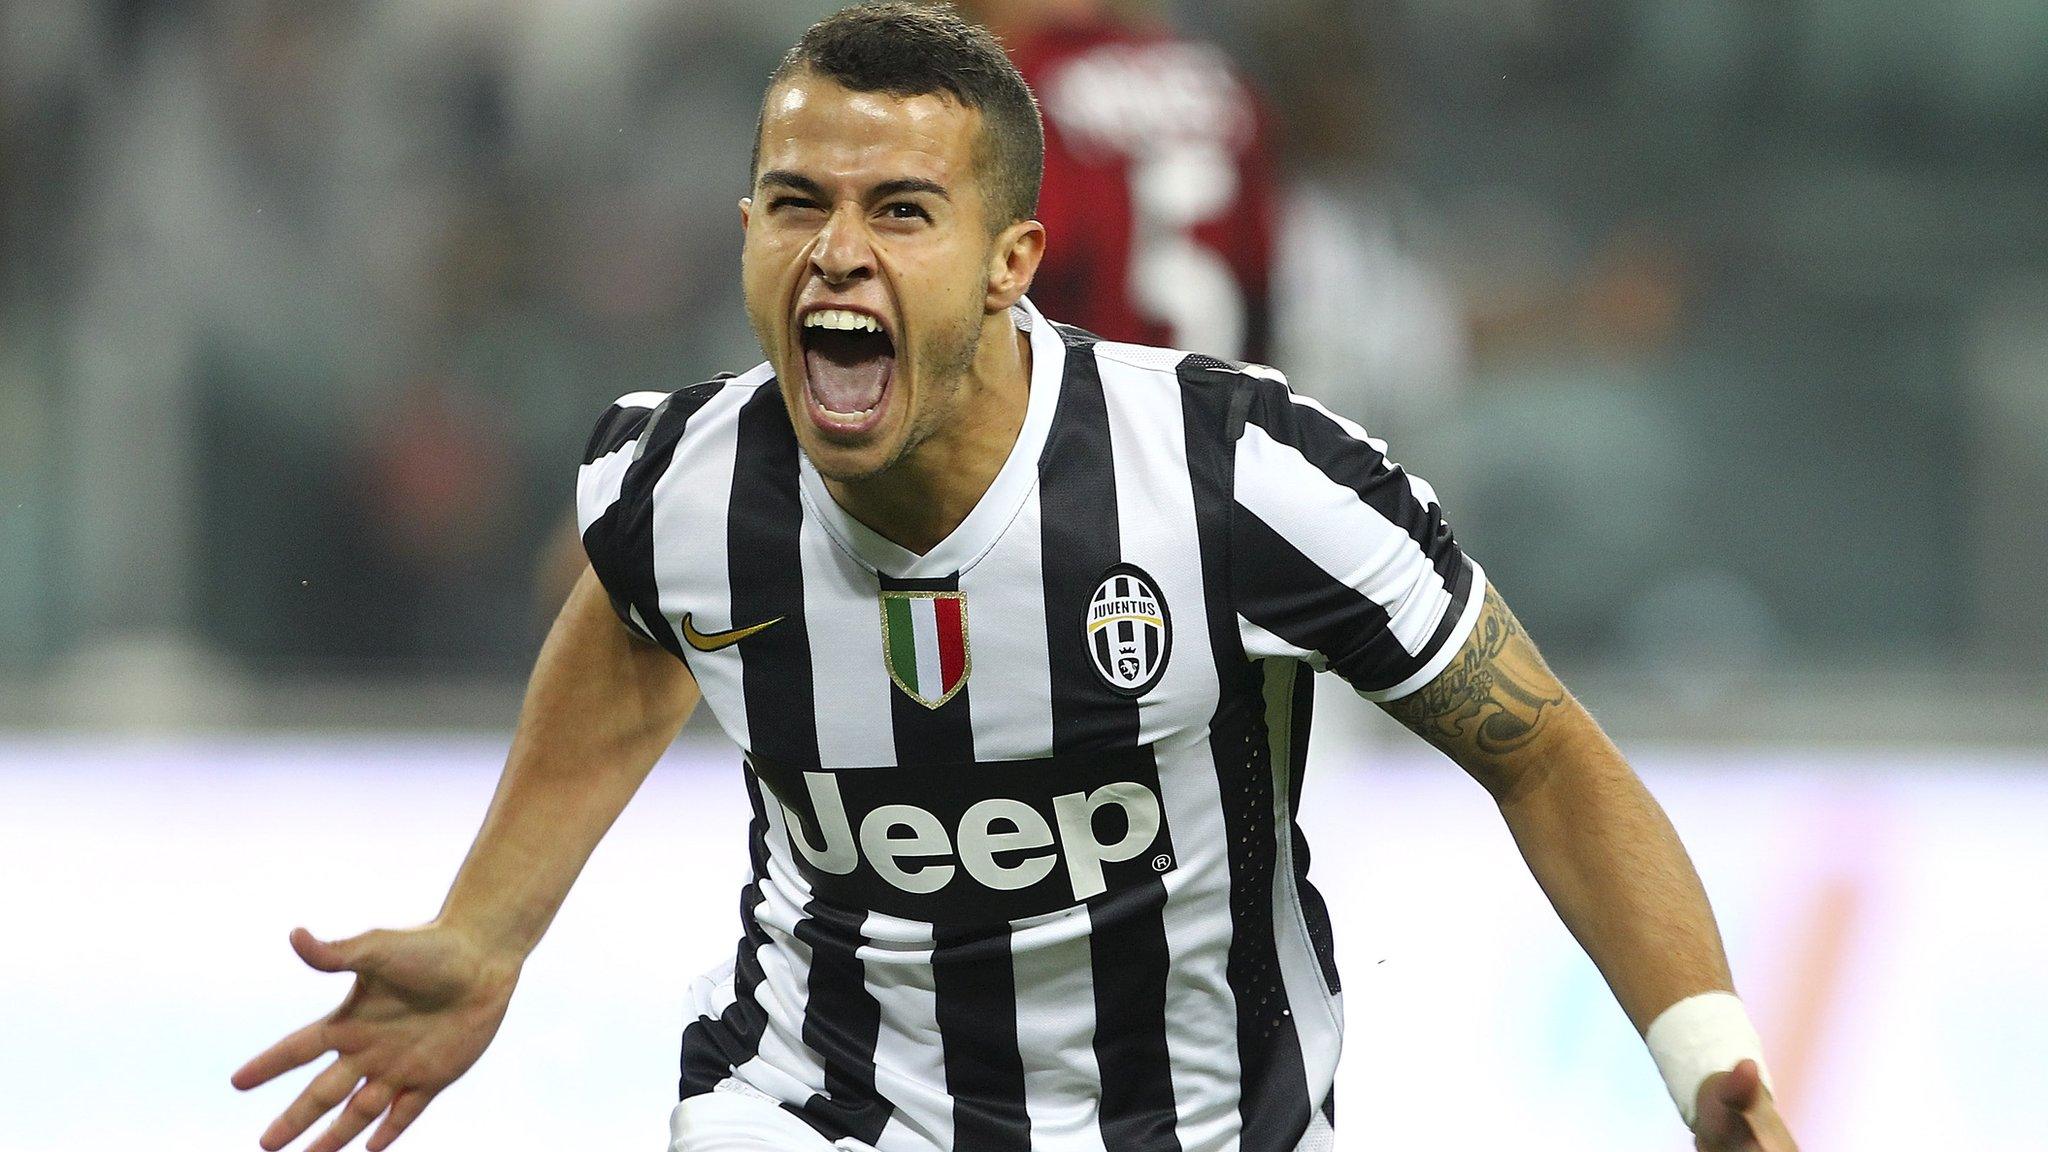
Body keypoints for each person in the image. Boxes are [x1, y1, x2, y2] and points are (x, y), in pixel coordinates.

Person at [232, 6, 1798, 1151]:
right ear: (744, 234)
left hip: (1191, 1123)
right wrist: (491, 931)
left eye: (900, 211)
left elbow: (1544, 749)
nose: (836, 252)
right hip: (816, 1103)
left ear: (1013, 259)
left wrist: (1701, 1058)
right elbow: (633, 628)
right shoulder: (680, 481)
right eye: (798, 205)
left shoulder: (1242, 481)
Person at [949, 0, 1277, 363]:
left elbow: (1024, 259)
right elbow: (1262, 277)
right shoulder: (1225, 83)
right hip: (1221, 400)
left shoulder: (1022, 84)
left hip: (1079, 397)